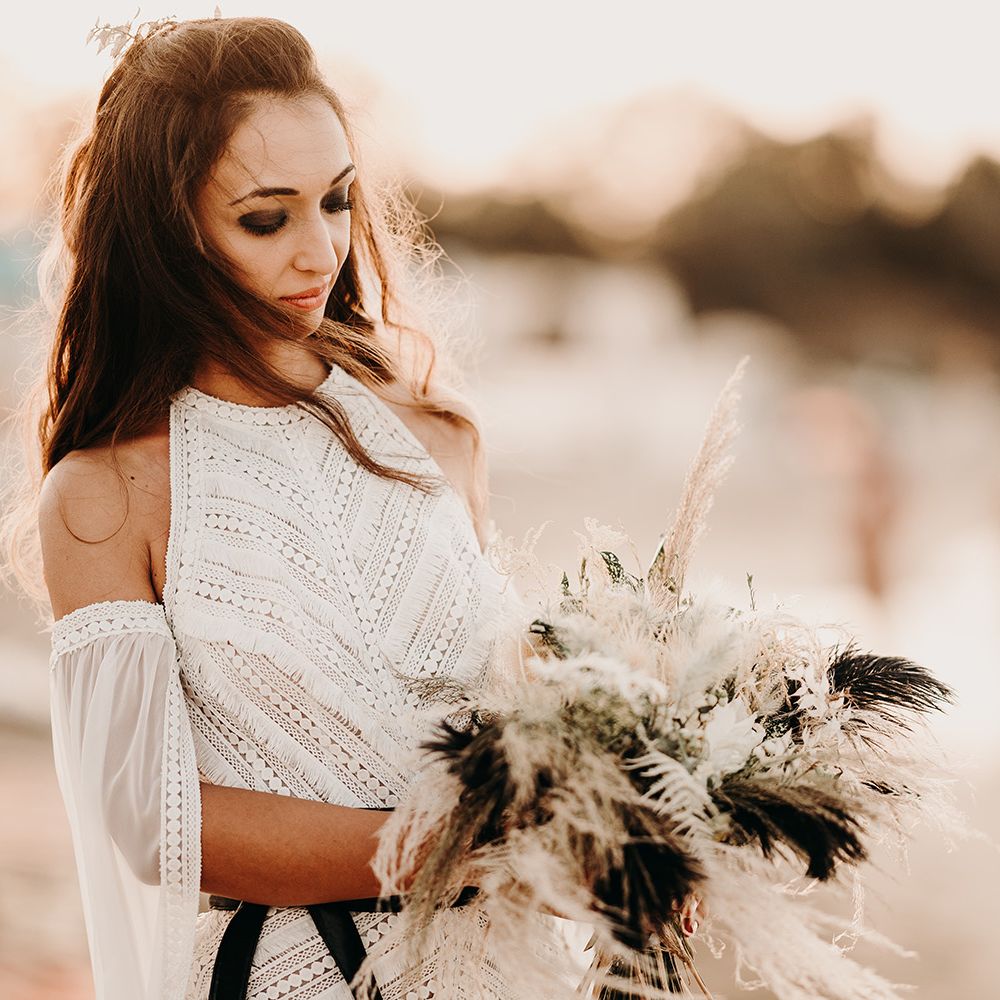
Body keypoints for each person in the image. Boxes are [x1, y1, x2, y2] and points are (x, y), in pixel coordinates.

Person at [25, 14, 526, 1000]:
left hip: (514, 967)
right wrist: (463, 851)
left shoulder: (431, 428)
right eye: (266, 217)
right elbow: (155, 822)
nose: (320, 252)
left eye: (337, 201)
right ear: (169, 228)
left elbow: (502, 694)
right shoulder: (105, 493)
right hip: (297, 974)